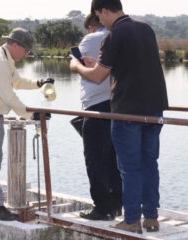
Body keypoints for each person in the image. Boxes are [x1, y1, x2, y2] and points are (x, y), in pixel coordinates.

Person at [70, 0, 168, 234]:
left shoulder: (114, 35)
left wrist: (76, 66)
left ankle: (132, 219)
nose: (99, 21)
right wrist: (100, 65)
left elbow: (95, 77)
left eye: (98, 16)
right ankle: (151, 217)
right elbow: (130, 66)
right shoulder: (145, 28)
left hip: (127, 110)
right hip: (154, 107)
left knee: (129, 166)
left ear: (104, 10)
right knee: (149, 163)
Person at [0, 27, 54, 220]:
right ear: (15, 45)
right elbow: (9, 95)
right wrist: (30, 115)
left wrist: (38, 82)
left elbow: (16, 81)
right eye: (26, 50)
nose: (26, 54)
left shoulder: (5, 58)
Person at [72, 14, 122, 221]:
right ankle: (117, 204)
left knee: (94, 159)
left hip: (95, 106)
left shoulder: (91, 39)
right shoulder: (117, 37)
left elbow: (77, 64)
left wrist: (74, 62)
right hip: (117, 104)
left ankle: (102, 207)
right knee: (113, 159)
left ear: (92, 26)